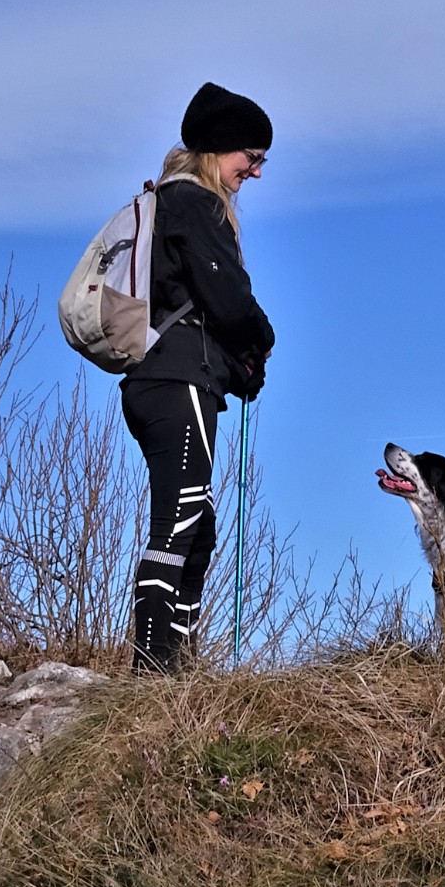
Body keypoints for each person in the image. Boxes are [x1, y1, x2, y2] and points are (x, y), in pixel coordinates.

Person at [121, 82, 276, 674]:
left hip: (165, 379)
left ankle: (175, 667)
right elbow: (229, 298)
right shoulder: (194, 202)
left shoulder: (169, 203)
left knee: (200, 527)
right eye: (251, 156)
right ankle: (154, 673)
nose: (255, 171)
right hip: (177, 381)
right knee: (182, 519)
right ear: (219, 147)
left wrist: (232, 362)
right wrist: (261, 339)